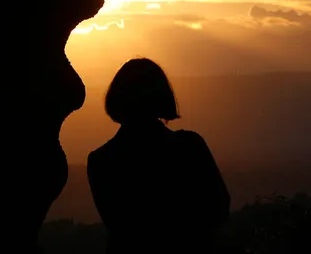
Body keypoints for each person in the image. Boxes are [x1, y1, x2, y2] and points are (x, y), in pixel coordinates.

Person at [87, 58, 230, 253]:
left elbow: (119, 225)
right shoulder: (190, 146)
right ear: (161, 95)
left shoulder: (100, 160)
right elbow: (219, 208)